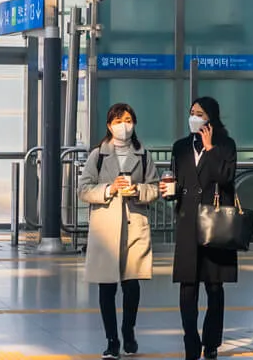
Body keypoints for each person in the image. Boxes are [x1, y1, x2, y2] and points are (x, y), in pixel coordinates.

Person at [79, 103, 160, 360]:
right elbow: (83, 189)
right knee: (106, 287)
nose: (122, 125)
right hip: (105, 227)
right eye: (117, 121)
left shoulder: (143, 154)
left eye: (126, 120)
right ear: (109, 125)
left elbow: (155, 188)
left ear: (134, 123)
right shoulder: (98, 155)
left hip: (134, 224)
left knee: (132, 283)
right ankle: (112, 340)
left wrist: (137, 190)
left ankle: (129, 329)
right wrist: (109, 189)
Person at [164, 96, 238, 360]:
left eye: (200, 114)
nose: (194, 117)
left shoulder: (225, 145)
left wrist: (210, 149)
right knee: (187, 286)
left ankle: (212, 341)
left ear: (211, 118)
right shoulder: (180, 146)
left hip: (214, 222)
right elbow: (177, 178)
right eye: (192, 112)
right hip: (187, 222)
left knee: (215, 287)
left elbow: (226, 178)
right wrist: (169, 192)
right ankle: (191, 341)